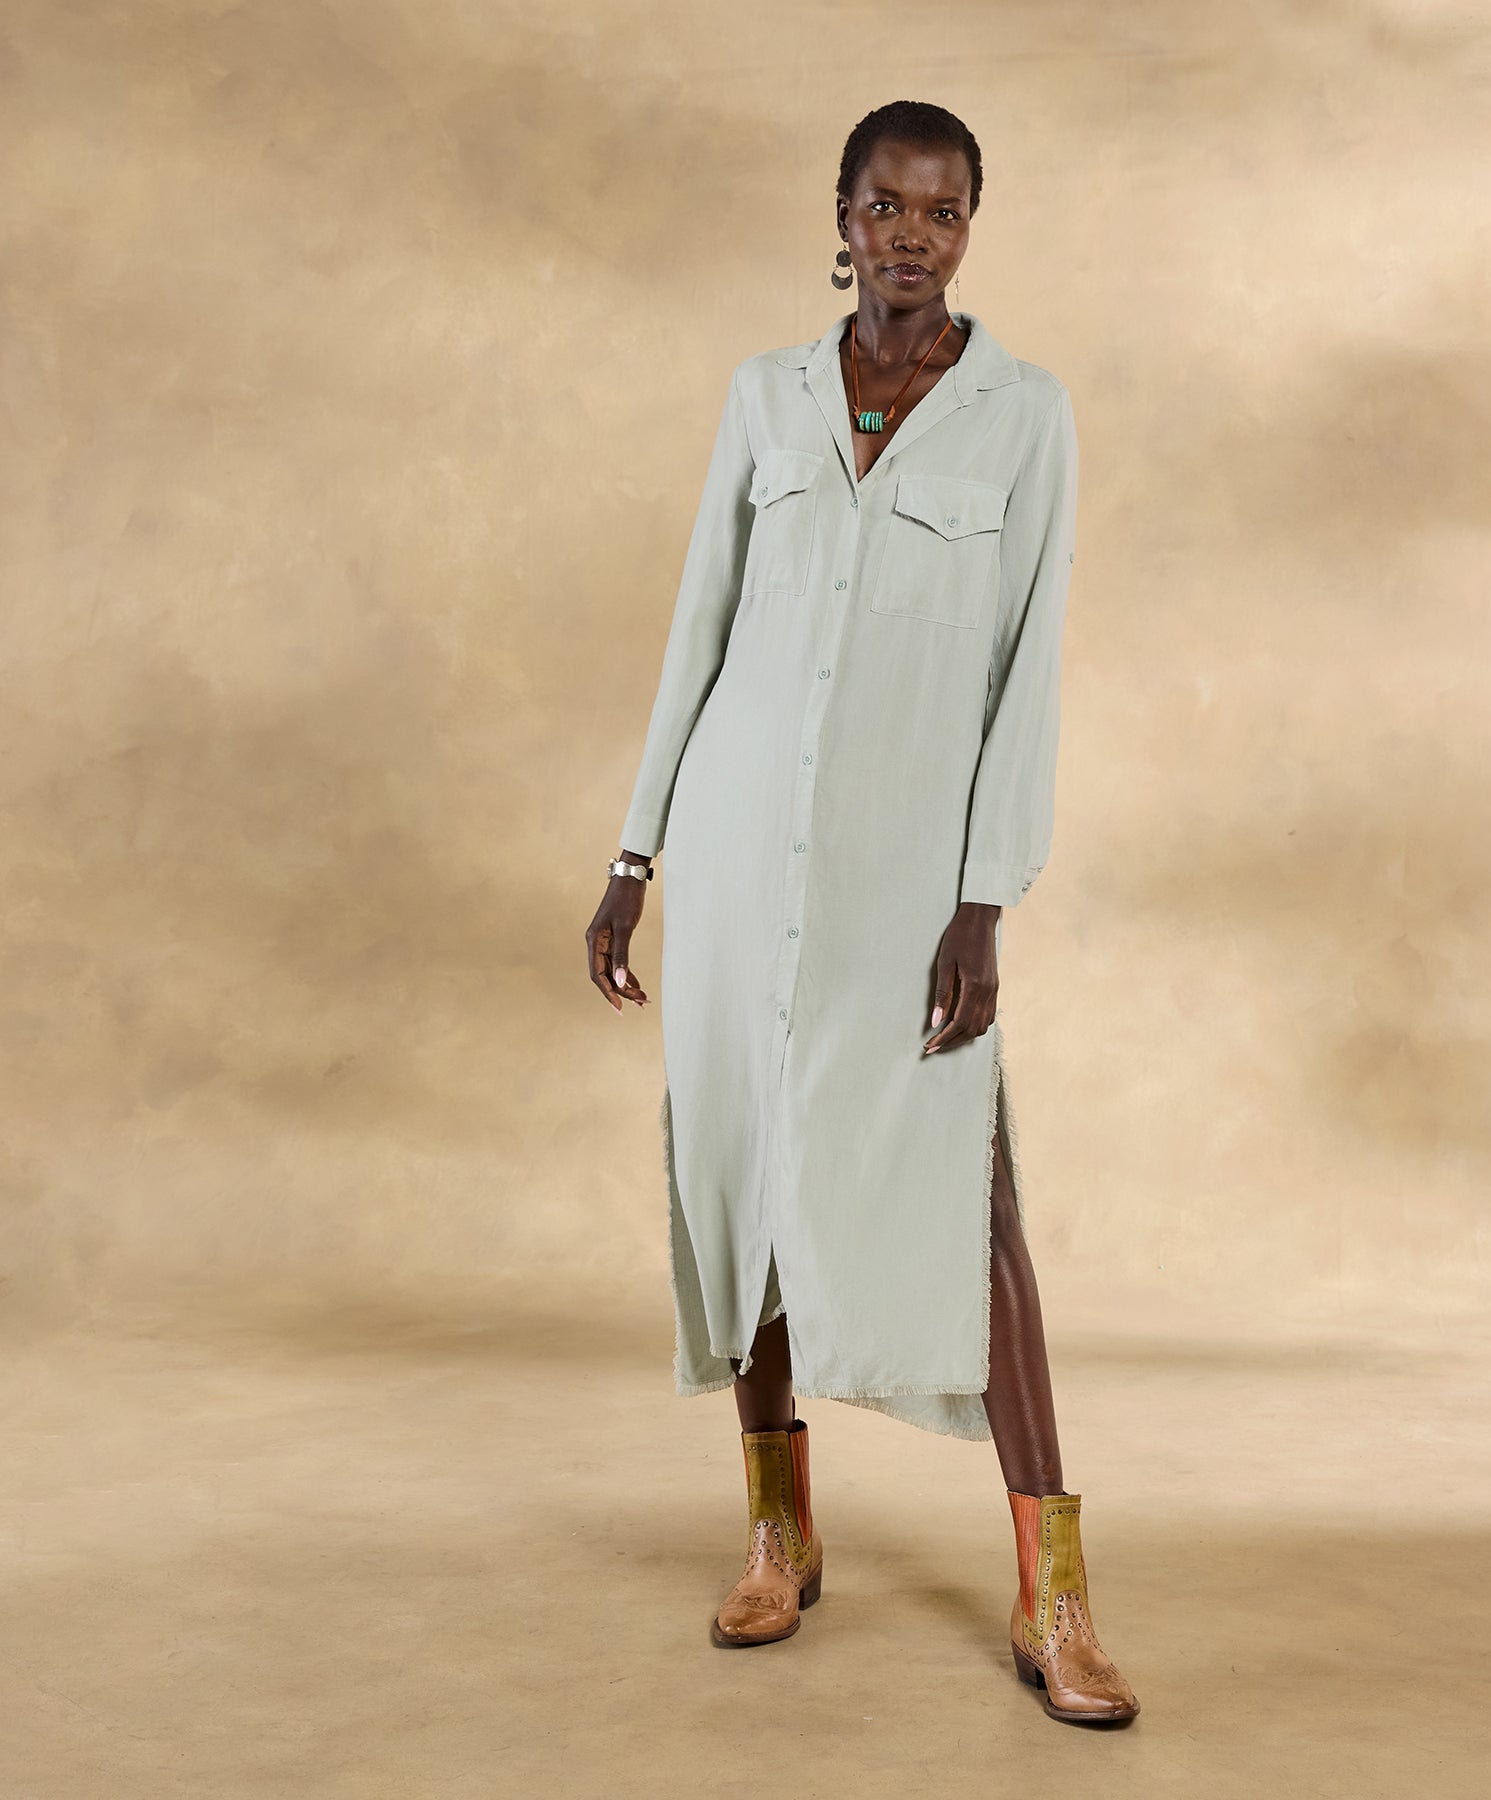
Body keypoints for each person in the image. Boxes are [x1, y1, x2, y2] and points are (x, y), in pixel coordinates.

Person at [589, 100, 1138, 1726]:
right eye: (887, 206)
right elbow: (701, 623)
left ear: (972, 227)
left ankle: (1056, 1599)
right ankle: (779, 1530)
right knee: (750, 1169)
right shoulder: (765, 396)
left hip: (908, 883)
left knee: (971, 1208)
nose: (913, 234)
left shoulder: (1025, 416)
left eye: (943, 210)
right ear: (843, 217)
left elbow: (1025, 668)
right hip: (736, 852)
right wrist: (636, 856)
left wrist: (985, 900)